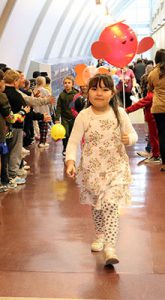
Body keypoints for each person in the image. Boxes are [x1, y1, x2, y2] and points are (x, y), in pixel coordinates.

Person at [65, 73, 138, 267]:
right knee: (97, 206)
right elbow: (72, 142)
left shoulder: (119, 113)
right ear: (87, 92)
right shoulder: (84, 115)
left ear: (112, 93)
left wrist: (128, 139)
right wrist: (70, 161)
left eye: (105, 89)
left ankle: (110, 248)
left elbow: (133, 134)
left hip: (116, 169)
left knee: (110, 204)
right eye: (95, 89)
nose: (99, 93)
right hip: (92, 170)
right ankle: (99, 235)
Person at [148, 49, 165, 172]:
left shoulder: (153, 73)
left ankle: (164, 163)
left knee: (162, 135)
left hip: (158, 108)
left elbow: (150, 87)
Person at [55, 75, 78, 156]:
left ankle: (72, 149)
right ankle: (65, 148)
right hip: (64, 118)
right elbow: (58, 107)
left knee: (72, 134)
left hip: (74, 118)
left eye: (69, 83)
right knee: (65, 134)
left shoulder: (76, 94)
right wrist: (57, 118)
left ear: (72, 84)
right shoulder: (61, 95)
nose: (67, 84)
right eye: (65, 83)